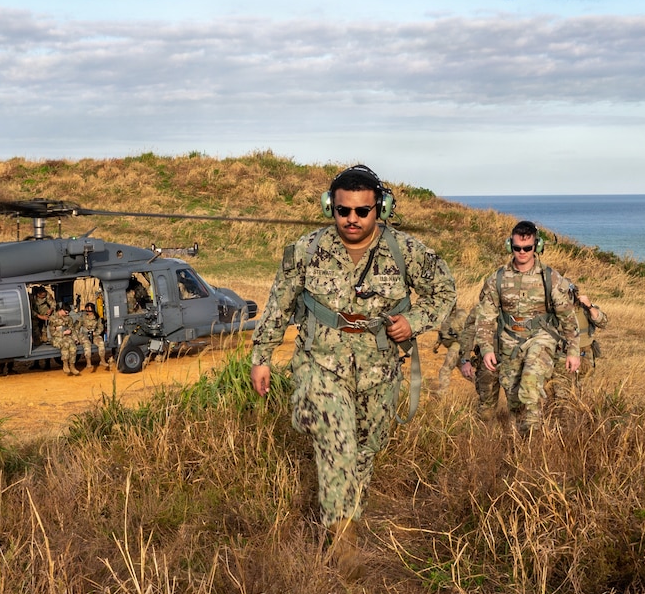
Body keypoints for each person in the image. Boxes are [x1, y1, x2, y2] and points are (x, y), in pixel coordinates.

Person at [251, 164, 455, 547]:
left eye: (362, 211)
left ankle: (348, 516)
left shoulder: (405, 251)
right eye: (343, 210)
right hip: (319, 365)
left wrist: (413, 322)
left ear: (380, 208)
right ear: (331, 207)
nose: (352, 219)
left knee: (364, 450)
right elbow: (279, 304)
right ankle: (342, 541)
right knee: (337, 444)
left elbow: (445, 293)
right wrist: (261, 356)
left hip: (379, 370)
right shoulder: (306, 250)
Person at [463, 220, 588, 435]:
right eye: (517, 248)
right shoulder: (497, 279)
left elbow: (567, 318)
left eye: (527, 248)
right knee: (514, 399)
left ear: (536, 247)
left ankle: (533, 439)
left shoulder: (550, 278)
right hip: (509, 343)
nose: (522, 252)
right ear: (509, 246)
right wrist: (486, 349)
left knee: (530, 384)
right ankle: (523, 444)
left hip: (541, 339)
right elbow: (484, 319)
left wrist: (573, 352)